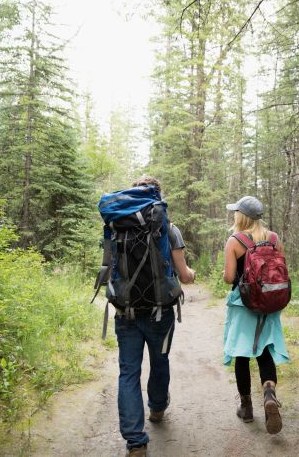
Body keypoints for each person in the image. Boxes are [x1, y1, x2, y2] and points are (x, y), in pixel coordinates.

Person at [115, 176, 196, 457]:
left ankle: (136, 442)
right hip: (160, 312)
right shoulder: (169, 228)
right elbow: (184, 276)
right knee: (159, 361)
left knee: (128, 372)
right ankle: (158, 407)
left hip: (125, 311)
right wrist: (191, 276)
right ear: (158, 196)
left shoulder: (117, 225)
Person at [222, 195, 290, 434]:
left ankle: (246, 407)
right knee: (264, 352)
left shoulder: (234, 241)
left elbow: (230, 278)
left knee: (242, 355)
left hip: (243, 305)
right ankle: (269, 394)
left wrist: (226, 273)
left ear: (241, 216)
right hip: (269, 305)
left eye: (236, 212)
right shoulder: (273, 238)